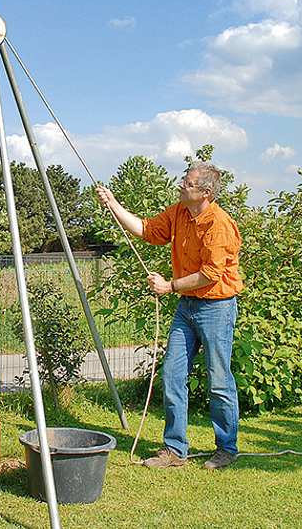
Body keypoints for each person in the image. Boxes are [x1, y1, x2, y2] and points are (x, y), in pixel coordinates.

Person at [96, 162, 242, 470]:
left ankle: (226, 449)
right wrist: (113, 204)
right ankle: (175, 450)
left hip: (217, 307)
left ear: (205, 192)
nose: (181, 185)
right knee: (172, 375)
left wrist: (169, 286)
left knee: (219, 380)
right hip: (187, 307)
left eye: (187, 183)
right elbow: (147, 230)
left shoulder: (220, 225)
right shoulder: (179, 212)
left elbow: (210, 274)